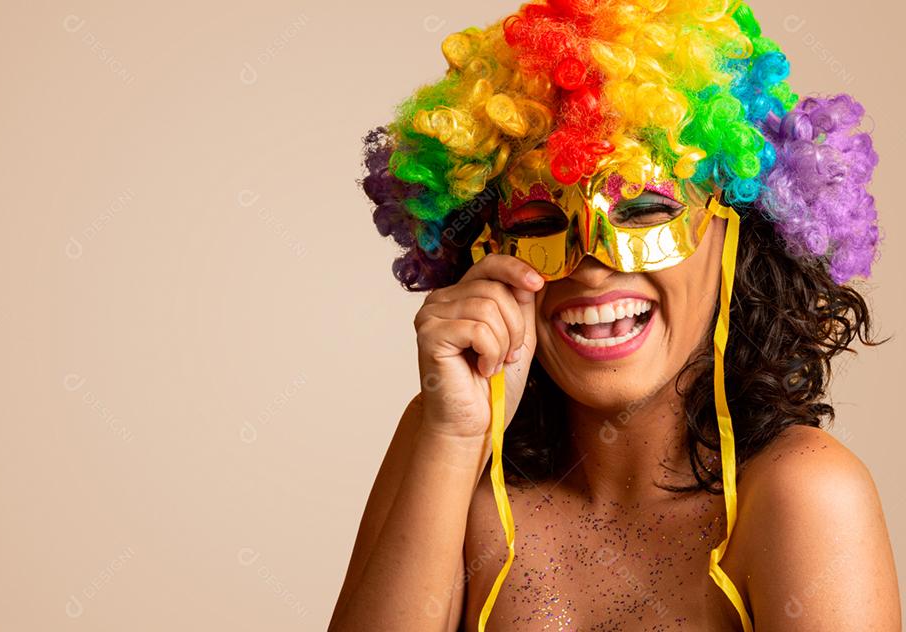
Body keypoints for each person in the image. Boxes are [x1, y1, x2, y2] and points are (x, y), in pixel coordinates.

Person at [329, 1, 900, 630]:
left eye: (644, 210)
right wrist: (453, 441)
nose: (591, 265)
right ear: (484, 247)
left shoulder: (804, 496)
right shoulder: (447, 448)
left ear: (739, 228)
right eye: (540, 222)